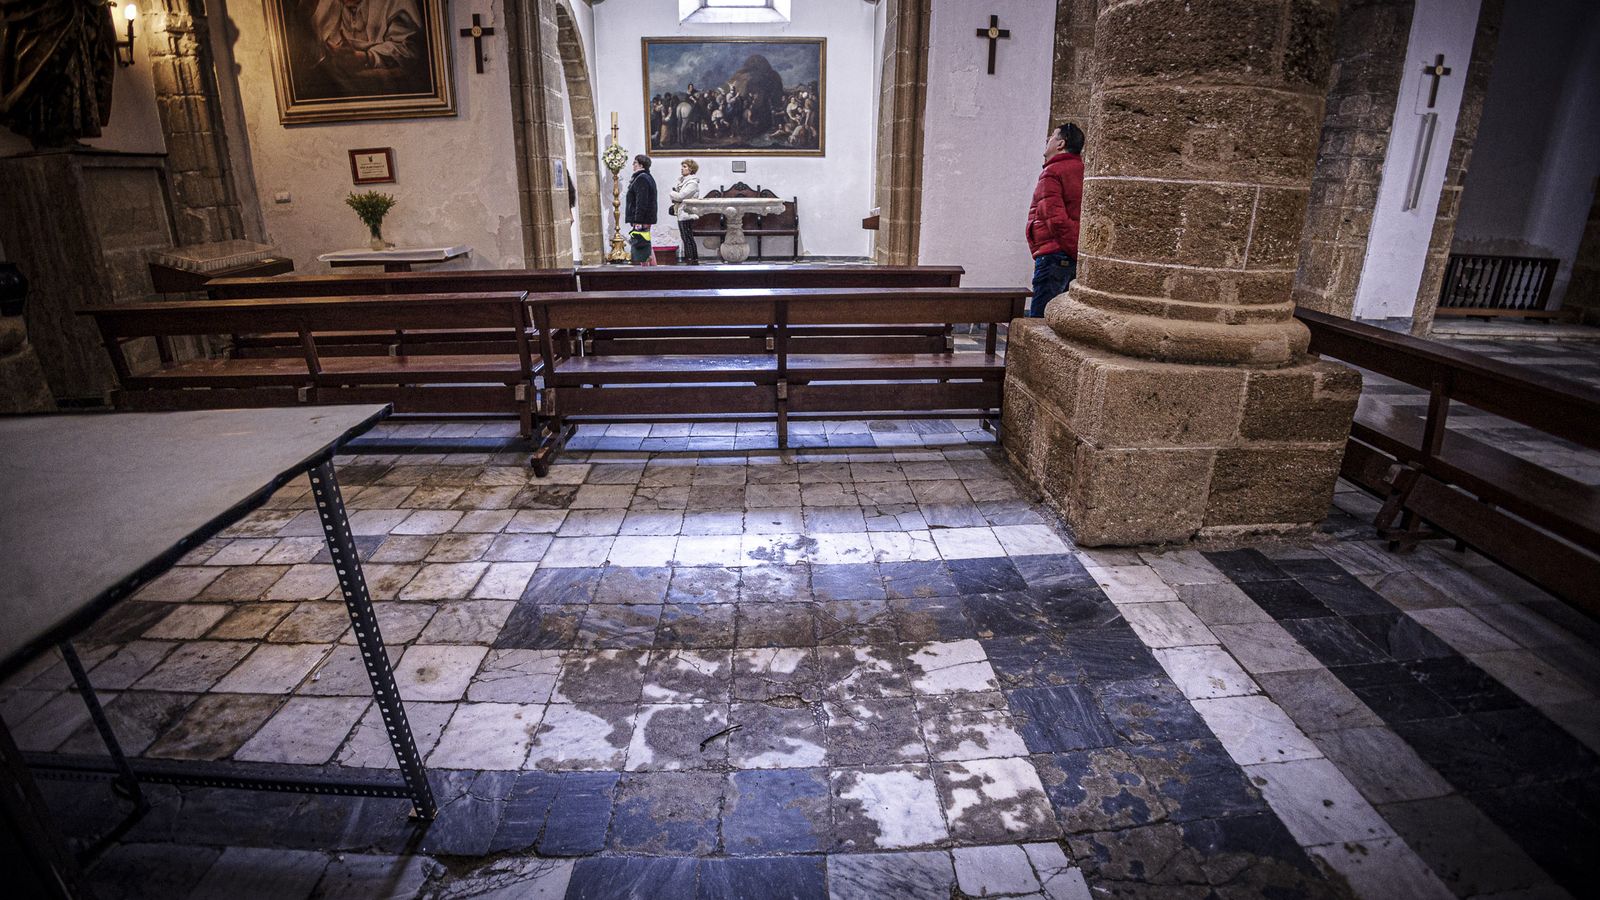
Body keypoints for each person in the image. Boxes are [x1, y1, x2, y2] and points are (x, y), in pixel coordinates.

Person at [1025, 122, 1085, 318]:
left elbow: (1055, 218)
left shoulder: (1054, 171)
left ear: (1061, 144)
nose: (1047, 140)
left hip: (1054, 255)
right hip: (1067, 255)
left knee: (1040, 320)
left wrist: (1069, 249)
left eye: (1052, 136)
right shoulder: (1082, 170)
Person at [624, 154, 658, 265]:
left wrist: (638, 220)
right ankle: (653, 270)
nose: (633, 165)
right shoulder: (646, 177)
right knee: (646, 245)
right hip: (645, 218)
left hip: (642, 219)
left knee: (641, 246)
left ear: (641, 165)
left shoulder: (641, 178)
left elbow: (641, 201)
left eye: (635, 163)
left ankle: (646, 272)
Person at [670, 159, 703, 264]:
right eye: (682, 166)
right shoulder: (683, 182)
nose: (682, 169)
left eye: (684, 166)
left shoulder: (692, 183)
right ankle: (691, 259)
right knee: (686, 237)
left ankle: (692, 260)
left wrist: (672, 193)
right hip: (682, 212)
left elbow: (680, 196)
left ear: (691, 169)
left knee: (687, 238)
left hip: (687, 213)